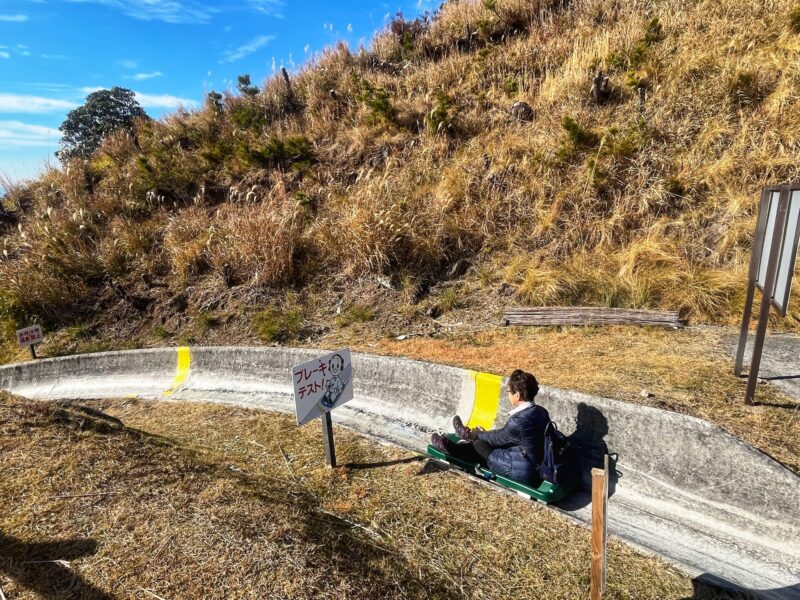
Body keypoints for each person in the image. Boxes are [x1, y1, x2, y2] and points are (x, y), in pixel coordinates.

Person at [431, 369, 550, 486]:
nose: (508, 394)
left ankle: (453, 448)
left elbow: (499, 438)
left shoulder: (519, 420)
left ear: (517, 395)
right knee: (485, 440)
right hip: (533, 463)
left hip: (523, 472)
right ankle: (465, 437)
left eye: (509, 392)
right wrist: (483, 433)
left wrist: (477, 434)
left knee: (479, 444)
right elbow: (508, 436)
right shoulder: (540, 411)